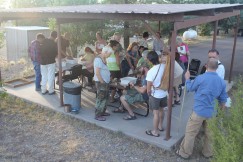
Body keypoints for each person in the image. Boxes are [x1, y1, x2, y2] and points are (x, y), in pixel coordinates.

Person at [176, 58, 228, 160]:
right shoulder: (221, 82)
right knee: (210, 134)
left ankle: (184, 153)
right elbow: (223, 100)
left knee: (191, 133)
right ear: (217, 68)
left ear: (205, 66)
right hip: (212, 112)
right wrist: (220, 112)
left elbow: (190, 88)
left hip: (198, 111)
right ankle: (208, 153)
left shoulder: (201, 78)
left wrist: (187, 78)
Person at [94, 40, 119, 121]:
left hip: (105, 82)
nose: (109, 55)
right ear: (104, 52)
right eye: (109, 54)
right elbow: (97, 73)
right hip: (101, 82)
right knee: (100, 99)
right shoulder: (98, 59)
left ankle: (103, 111)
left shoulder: (104, 59)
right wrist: (103, 82)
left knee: (105, 98)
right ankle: (98, 115)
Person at [146, 51, 168, 137]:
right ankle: (160, 126)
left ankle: (154, 131)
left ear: (149, 60)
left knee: (155, 113)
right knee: (162, 110)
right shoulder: (165, 67)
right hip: (164, 93)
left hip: (155, 95)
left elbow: (148, 86)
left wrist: (148, 93)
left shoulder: (151, 71)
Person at [105, 35, 122, 103]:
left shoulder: (107, 52)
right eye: (117, 46)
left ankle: (107, 97)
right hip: (115, 70)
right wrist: (120, 67)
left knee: (110, 84)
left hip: (109, 69)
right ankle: (112, 98)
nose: (118, 47)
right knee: (114, 85)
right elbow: (118, 62)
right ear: (114, 46)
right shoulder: (115, 52)